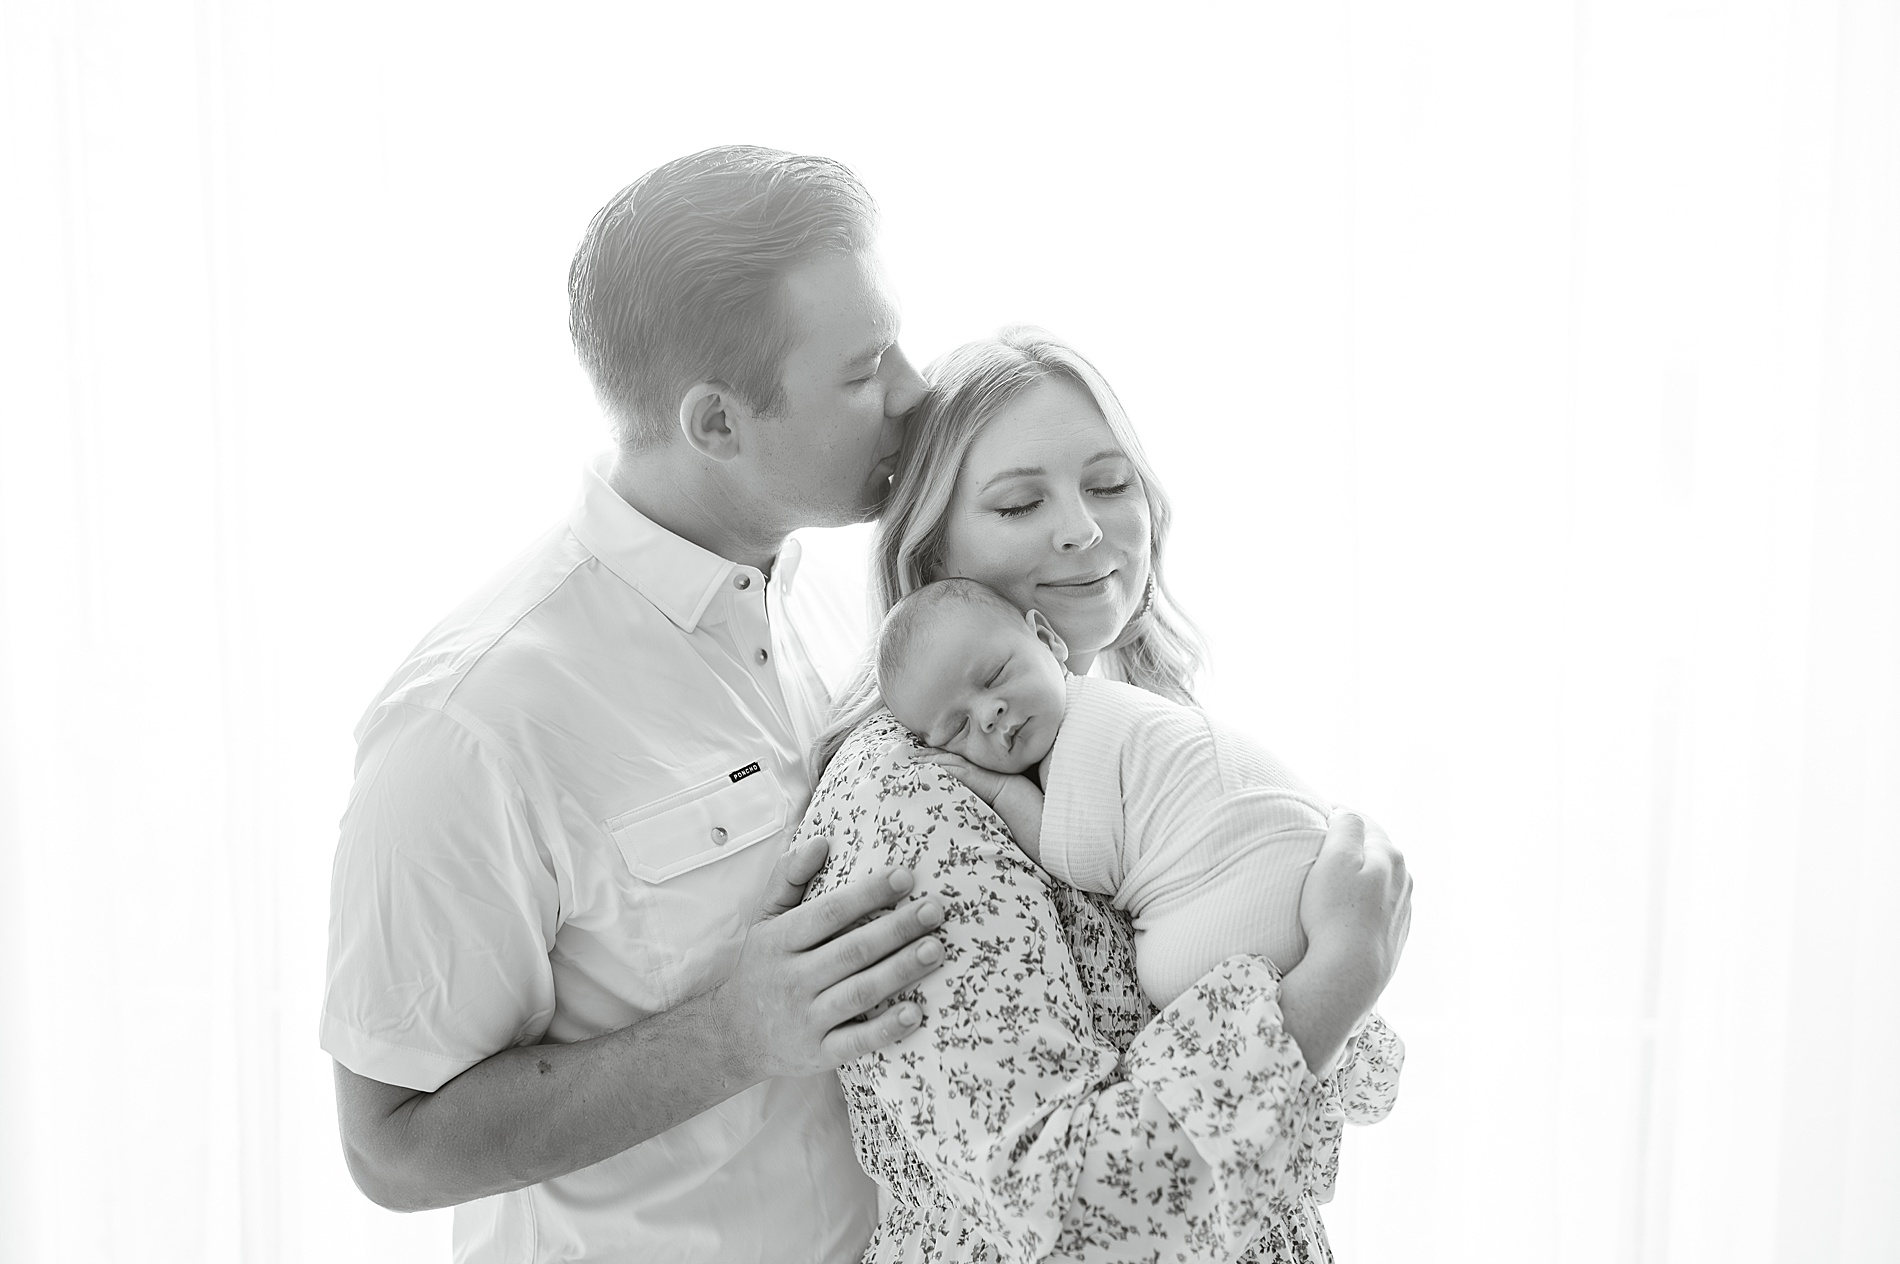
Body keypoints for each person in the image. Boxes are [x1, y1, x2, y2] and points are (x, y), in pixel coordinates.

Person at [320, 146, 952, 1262]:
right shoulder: (468, 723)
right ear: (714, 422)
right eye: (862, 372)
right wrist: (727, 1038)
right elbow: (391, 1149)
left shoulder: (829, 606)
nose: (915, 391)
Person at [799, 326, 1412, 1263]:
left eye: (1110, 483)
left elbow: (1351, 1084)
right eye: (1017, 502)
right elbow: (1070, 1213)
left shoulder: (1131, 738)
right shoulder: (916, 805)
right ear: (929, 555)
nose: (1083, 528)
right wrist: (1340, 972)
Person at [877, 576, 1331, 1009]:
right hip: (1300, 868)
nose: (989, 713)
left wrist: (999, 790)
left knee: (1166, 975)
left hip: (1263, 872)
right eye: (958, 727)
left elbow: (1084, 859)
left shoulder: (1088, 730)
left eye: (995, 675)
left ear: (1049, 641)